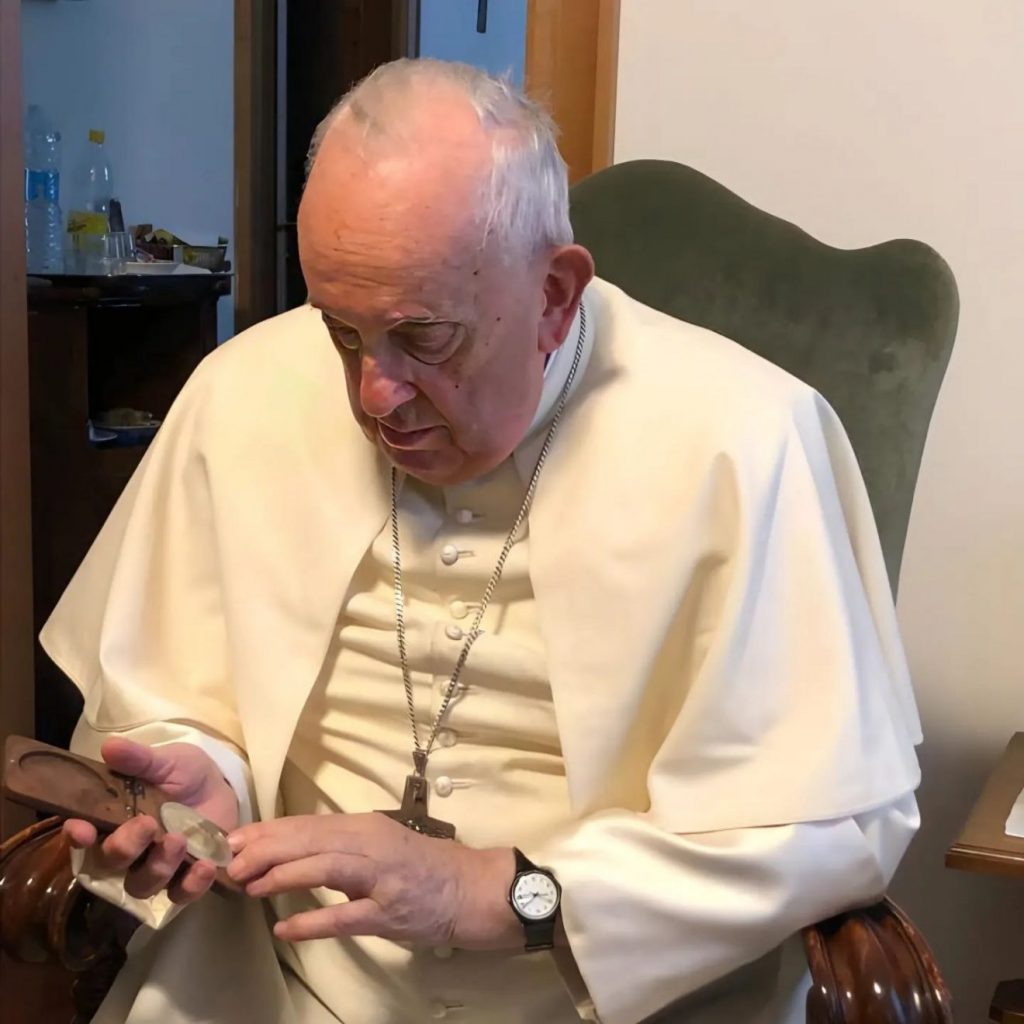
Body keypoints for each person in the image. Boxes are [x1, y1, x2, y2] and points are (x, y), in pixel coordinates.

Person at [41, 59, 922, 1024]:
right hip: (280, 984)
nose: (375, 395)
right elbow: (172, 691)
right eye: (341, 333)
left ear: (554, 294)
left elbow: (822, 827)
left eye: (426, 339)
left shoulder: (746, 438)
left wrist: (501, 892)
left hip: (622, 998)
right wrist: (205, 783)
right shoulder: (241, 391)